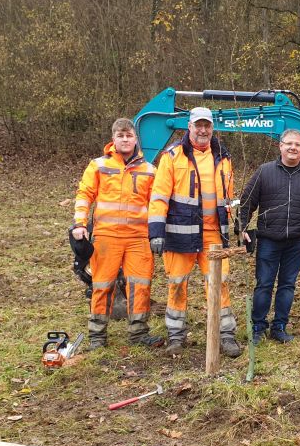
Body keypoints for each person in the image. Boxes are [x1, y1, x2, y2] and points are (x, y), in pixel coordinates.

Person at [148, 107, 241, 357]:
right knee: (177, 284)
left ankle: (226, 335)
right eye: (198, 125)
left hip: (213, 235)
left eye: (207, 126)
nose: (202, 130)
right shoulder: (172, 157)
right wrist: (156, 230)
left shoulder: (223, 156)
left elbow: (228, 198)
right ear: (189, 127)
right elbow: (158, 197)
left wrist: (237, 226)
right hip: (179, 233)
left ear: (212, 128)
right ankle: (176, 336)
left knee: (219, 284)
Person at [72, 118, 163, 350]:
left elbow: (157, 205)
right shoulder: (99, 165)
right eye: (120, 136)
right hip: (106, 237)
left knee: (141, 285)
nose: (125, 139)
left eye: (129, 135)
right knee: (102, 284)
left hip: (138, 238)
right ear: (113, 139)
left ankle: (138, 333)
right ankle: (97, 336)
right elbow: (85, 194)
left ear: (135, 139)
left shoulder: (150, 170)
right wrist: (80, 223)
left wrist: (157, 233)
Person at [238, 129, 300, 345]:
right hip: (268, 239)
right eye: (289, 143)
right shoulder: (264, 171)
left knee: (287, 284)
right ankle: (258, 326)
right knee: (264, 284)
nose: (292, 148)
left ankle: (279, 326)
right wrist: (242, 227)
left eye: (297, 145)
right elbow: (246, 202)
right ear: (280, 146)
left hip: (298, 241)